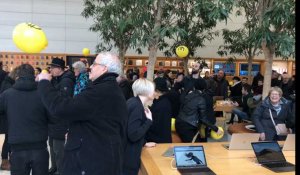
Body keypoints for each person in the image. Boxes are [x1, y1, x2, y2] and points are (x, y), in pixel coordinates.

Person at [37, 52, 128, 175]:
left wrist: (44, 83)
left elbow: (61, 108)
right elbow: (95, 121)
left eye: (94, 64)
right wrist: (76, 131)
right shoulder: (107, 88)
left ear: (104, 69)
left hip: (93, 162)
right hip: (99, 157)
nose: (90, 67)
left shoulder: (101, 91)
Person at [0, 64, 50, 175]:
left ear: (17, 76)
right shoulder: (43, 93)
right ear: (34, 75)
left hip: (17, 148)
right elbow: (53, 116)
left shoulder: (7, 95)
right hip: (40, 146)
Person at [47, 58, 75, 175]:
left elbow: (63, 102)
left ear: (59, 69)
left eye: (52, 68)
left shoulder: (66, 81)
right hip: (53, 121)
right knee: (53, 147)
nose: (50, 70)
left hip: (61, 122)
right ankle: (54, 168)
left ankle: (60, 171)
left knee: (59, 150)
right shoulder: (57, 79)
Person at [123, 78, 156, 175]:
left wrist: (144, 143)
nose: (154, 92)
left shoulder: (133, 102)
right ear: (147, 91)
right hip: (128, 156)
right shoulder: (137, 106)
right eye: (153, 90)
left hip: (124, 153)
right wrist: (149, 121)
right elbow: (133, 134)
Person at [175, 78, 223, 143]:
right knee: (195, 147)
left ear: (194, 86)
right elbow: (203, 119)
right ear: (204, 88)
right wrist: (216, 128)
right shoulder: (201, 99)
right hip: (188, 126)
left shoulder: (188, 95)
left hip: (179, 122)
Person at [0, 68, 18, 170]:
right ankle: (5, 162)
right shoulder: (8, 85)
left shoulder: (6, 83)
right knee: (8, 140)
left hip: (7, 117)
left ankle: (8, 161)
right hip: (6, 117)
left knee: (8, 139)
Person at [146, 77, 172, 143]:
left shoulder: (162, 104)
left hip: (159, 142)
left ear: (157, 90)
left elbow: (158, 126)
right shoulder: (161, 101)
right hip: (159, 139)